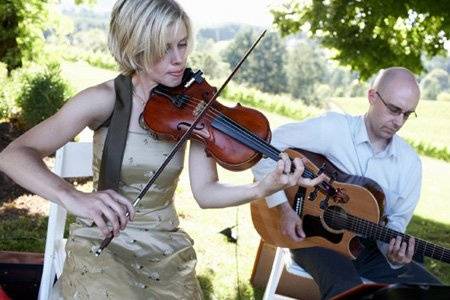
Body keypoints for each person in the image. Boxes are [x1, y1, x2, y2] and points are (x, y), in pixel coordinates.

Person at [0, 0, 324, 299]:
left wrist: (262, 187)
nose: (178, 59)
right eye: (163, 48)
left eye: (182, 44)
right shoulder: (105, 99)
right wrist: (73, 197)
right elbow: (14, 154)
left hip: (164, 250)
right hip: (105, 241)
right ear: (134, 49)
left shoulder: (197, 106)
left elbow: (206, 193)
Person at [252, 67, 442, 299]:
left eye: (407, 114)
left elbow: (396, 224)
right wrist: (283, 208)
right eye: (394, 109)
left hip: (365, 248)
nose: (398, 121)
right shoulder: (333, 129)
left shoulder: (410, 163)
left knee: (434, 293)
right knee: (348, 290)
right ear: (372, 96)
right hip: (309, 235)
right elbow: (262, 149)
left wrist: (393, 255)